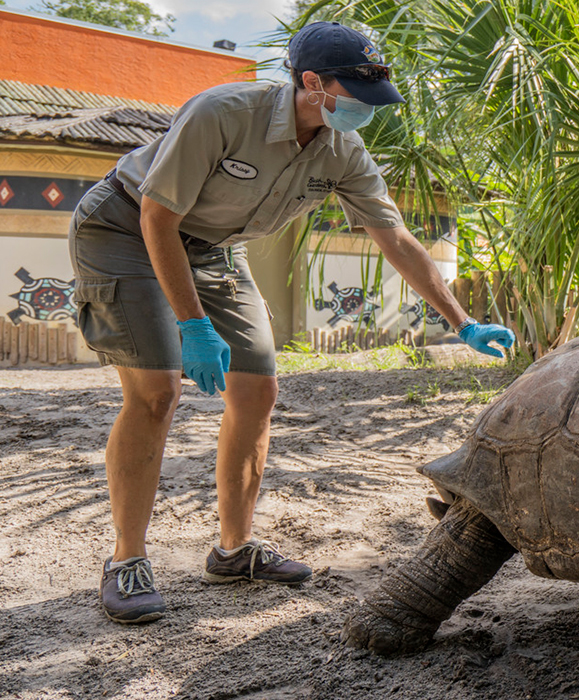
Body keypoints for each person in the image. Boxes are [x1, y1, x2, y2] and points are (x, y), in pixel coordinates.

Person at [72, 22, 515, 625]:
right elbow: (157, 215)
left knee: (257, 389)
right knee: (157, 393)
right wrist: (194, 327)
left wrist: (462, 323)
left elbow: (398, 241)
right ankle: (126, 560)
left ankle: (233, 550)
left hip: (216, 248)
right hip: (126, 229)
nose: (365, 109)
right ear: (312, 82)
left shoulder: (342, 150)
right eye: (354, 92)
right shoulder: (223, 112)